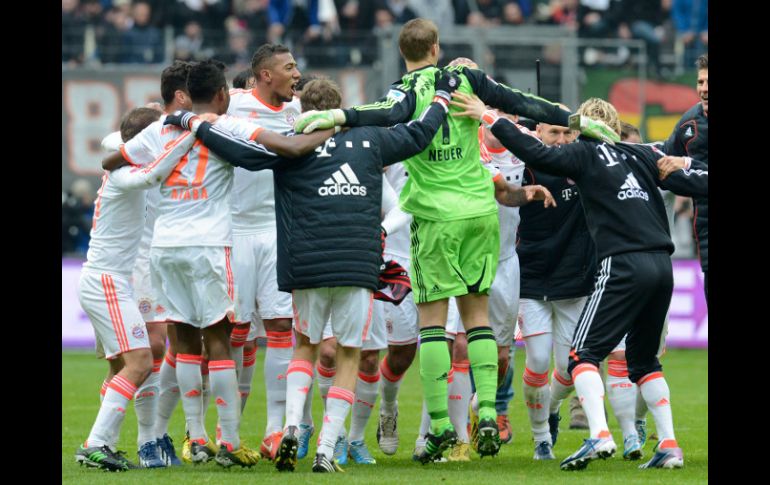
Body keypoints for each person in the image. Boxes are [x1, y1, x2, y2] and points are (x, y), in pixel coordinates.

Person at [292, 17, 572, 461]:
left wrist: (337, 115)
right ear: (437, 47)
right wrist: (573, 118)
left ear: (402, 51)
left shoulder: (405, 90)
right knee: (477, 319)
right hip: (479, 211)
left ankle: (440, 425)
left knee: (434, 327)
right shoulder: (466, 80)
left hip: (435, 217)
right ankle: (486, 413)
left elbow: (382, 114)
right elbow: (522, 101)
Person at [162, 73, 459, 472]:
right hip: (356, 263)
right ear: (341, 108)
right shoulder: (370, 140)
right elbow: (419, 135)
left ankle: (290, 426)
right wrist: (441, 97)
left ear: (301, 109)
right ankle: (326, 449)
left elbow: (242, 155)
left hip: (305, 263)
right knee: (349, 353)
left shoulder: (289, 145)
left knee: (304, 345)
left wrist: (194, 123)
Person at [450, 92, 707, 471]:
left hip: (622, 263)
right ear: (616, 127)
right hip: (662, 265)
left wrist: (489, 117)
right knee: (644, 361)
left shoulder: (584, 153)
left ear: (581, 128)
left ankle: (599, 435)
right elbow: (695, 181)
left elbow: (536, 152)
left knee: (581, 356)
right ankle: (669, 445)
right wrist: (685, 162)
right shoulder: (642, 154)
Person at [75, 107, 197, 472]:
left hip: (114, 281)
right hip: (106, 282)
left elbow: (122, 141)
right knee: (141, 362)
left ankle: (104, 444)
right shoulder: (122, 173)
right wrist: (191, 134)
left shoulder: (123, 158)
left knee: (123, 368)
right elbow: (154, 173)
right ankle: (95, 444)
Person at [101, 60, 195, 467]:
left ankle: (152, 435)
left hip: (164, 251)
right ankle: (136, 438)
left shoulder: (175, 135)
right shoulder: (144, 143)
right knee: (139, 353)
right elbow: (116, 141)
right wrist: (155, 125)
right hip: (131, 259)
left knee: (167, 344)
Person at [513, 109, 599, 462]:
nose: (561, 140)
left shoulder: (585, 167)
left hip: (574, 282)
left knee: (567, 369)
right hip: (530, 279)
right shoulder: (525, 167)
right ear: (538, 133)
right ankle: (540, 439)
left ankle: (550, 410)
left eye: (568, 133)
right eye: (554, 133)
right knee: (536, 362)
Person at [663, 54, 708, 303]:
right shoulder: (688, 123)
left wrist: (688, 164)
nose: (704, 89)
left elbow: (683, 165)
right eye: (700, 82)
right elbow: (665, 162)